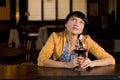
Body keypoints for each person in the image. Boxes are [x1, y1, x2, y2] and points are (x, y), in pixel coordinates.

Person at [37, 11, 115, 70]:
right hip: (58, 76)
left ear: (82, 29)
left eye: (81, 22)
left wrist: (92, 63)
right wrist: (66, 65)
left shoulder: (85, 39)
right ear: (66, 24)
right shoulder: (55, 37)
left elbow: (110, 60)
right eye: (73, 20)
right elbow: (41, 60)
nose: (77, 24)